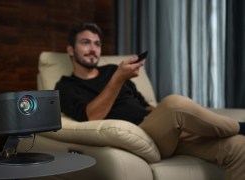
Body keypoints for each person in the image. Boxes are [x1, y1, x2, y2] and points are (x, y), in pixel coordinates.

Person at [55, 23, 245, 180]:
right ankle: (239, 125)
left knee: (238, 146)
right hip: (142, 136)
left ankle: (235, 130)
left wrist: (175, 120)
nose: (93, 49)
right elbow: (92, 116)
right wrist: (118, 78)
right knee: (174, 104)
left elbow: (145, 105)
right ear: (70, 50)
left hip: (163, 130)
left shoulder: (112, 70)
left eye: (97, 44)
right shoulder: (65, 86)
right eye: (86, 43)